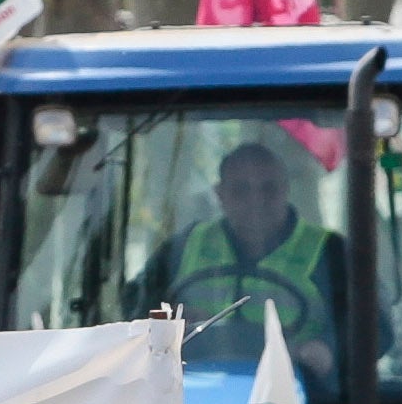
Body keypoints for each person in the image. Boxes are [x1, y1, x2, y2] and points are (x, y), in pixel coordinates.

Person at [146, 136, 349, 389]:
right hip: (192, 391)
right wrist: (171, 323)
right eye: (241, 190)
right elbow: (136, 306)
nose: (256, 201)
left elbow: (374, 325)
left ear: (286, 189)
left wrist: (327, 347)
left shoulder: (329, 252)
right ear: (220, 194)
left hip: (306, 396)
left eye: (268, 189)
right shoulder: (185, 246)